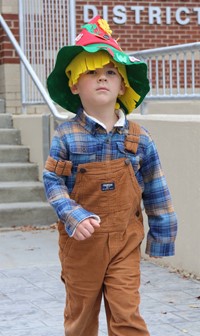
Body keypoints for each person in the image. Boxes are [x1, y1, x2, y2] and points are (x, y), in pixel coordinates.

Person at [43, 15, 177, 336]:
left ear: (122, 84)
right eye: (91, 72)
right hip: (81, 246)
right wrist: (73, 214)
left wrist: (162, 237)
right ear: (74, 84)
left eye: (110, 72)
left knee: (127, 314)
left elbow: (156, 189)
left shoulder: (139, 138)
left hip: (124, 243)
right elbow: (53, 183)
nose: (102, 78)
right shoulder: (66, 137)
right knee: (81, 318)